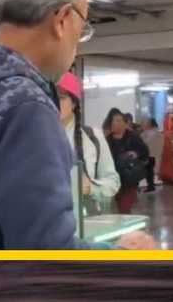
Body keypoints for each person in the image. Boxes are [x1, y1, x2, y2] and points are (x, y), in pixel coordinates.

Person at [0, 0, 155, 250]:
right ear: (61, 20)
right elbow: (46, 253)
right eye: (81, 29)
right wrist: (120, 254)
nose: (79, 43)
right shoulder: (24, 108)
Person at [57, 71, 121, 231]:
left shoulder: (92, 137)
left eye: (62, 97)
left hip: (86, 224)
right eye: (49, 97)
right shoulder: (33, 137)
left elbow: (112, 181)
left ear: (74, 103)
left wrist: (91, 188)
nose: (55, 103)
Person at [106, 113, 149, 213]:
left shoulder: (133, 137)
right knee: (118, 203)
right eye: (112, 121)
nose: (114, 123)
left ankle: (126, 223)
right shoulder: (108, 139)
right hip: (114, 177)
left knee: (125, 207)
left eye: (118, 121)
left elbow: (145, 151)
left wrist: (136, 153)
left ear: (125, 124)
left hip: (129, 177)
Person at [141, 118, 164, 192]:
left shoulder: (151, 133)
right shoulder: (155, 132)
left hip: (150, 154)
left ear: (150, 124)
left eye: (146, 123)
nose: (144, 124)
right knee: (150, 170)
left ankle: (150, 186)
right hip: (152, 154)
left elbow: (146, 142)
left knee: (149, 170)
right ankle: (151, 185)